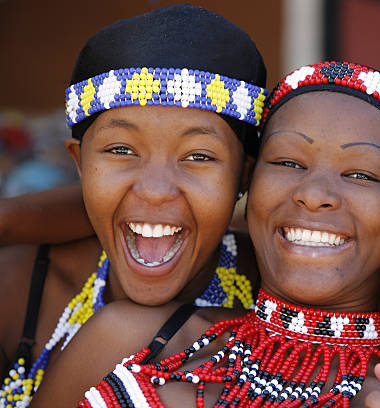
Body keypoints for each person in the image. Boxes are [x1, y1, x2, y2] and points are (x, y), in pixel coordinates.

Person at [31, 62, 380, 408]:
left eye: (361, 174)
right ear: (248, 182)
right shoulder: (128, 338)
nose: (315, 195)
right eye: (287, 163)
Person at [0, 5, 266, 407]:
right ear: (80, 163)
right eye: (121, 149)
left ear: (243, 178)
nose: (156, 190)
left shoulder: (276, 293)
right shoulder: (17, 289)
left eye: (198, 156)